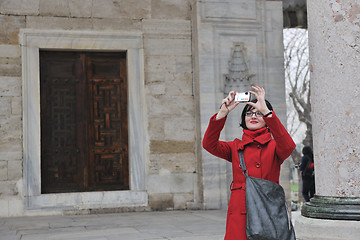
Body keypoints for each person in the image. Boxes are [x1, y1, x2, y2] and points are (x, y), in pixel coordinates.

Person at [202, 86, 296, 240]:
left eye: (259, 113)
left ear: (266, 118)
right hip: (240, 214)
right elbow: (209, 144)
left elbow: (289, 146)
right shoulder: (235, 146)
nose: (253, 116)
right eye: (249, 113)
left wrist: (267, 111)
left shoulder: (274, 146)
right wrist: (222, 113)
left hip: (267, 212)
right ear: (243, 119)